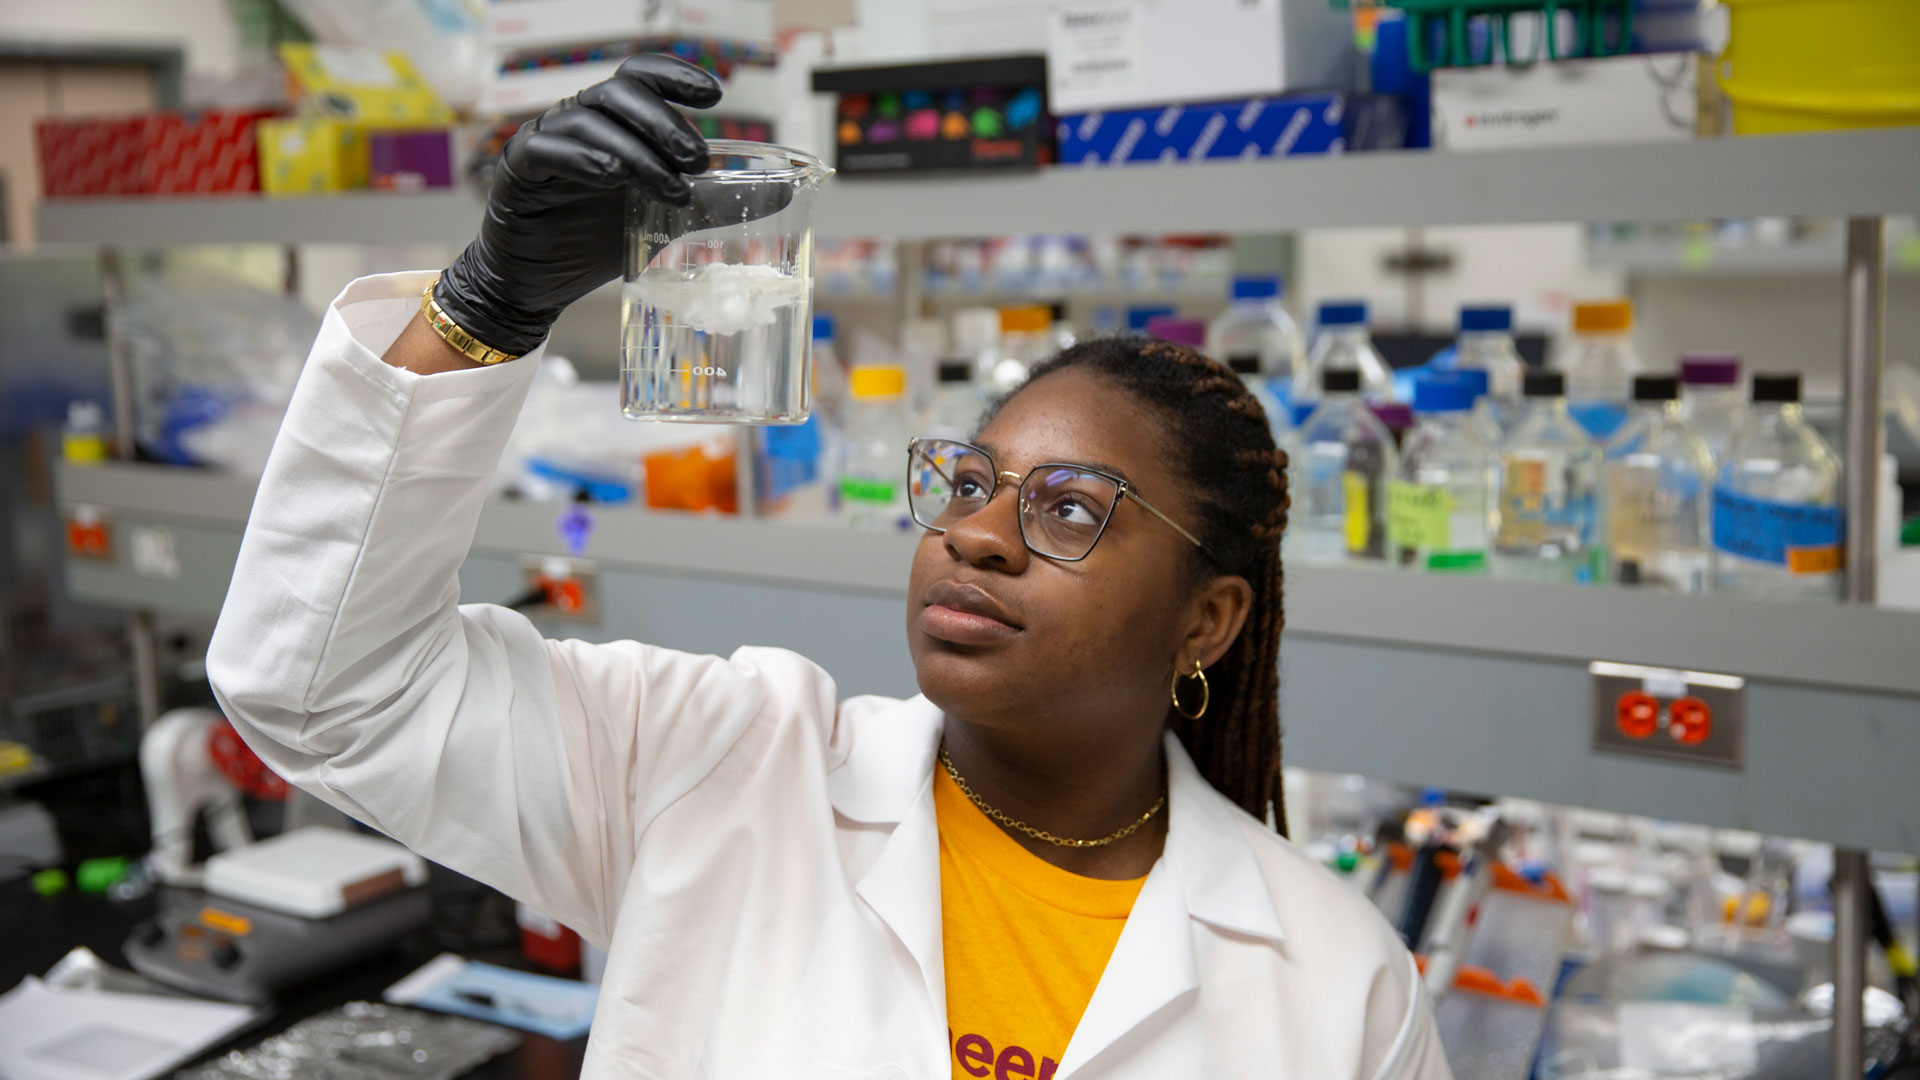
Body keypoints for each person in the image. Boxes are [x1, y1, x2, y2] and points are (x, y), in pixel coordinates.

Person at [208, 55, 1451, 1080]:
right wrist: (487, 303)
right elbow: (322, 688)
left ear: (1209, 620)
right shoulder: (719, 766)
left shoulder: (1338, 985)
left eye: (1069, 509)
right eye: (966, 485)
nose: (974, 533)